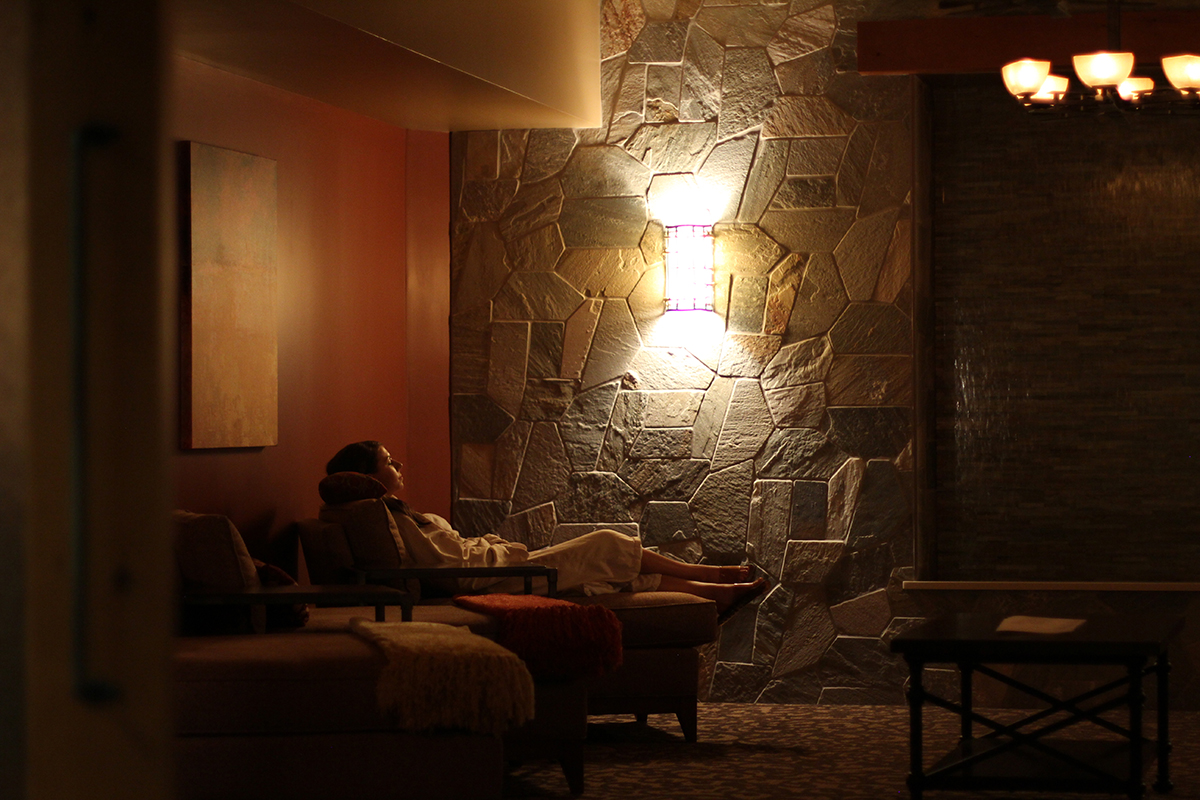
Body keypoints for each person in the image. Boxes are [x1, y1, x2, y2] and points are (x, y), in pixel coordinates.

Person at [324, 440, 768, 619]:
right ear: (366, 475)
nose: (397, 464)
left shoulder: (402, 515)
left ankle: (718, 593)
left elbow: (450, 550)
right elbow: (446, 565)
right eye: (386, 461)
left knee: (605, 570)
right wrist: (490, 553)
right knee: (607, 541)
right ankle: (715, 575)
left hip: (504, 565)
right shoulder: (392, 519)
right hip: (497, 578)